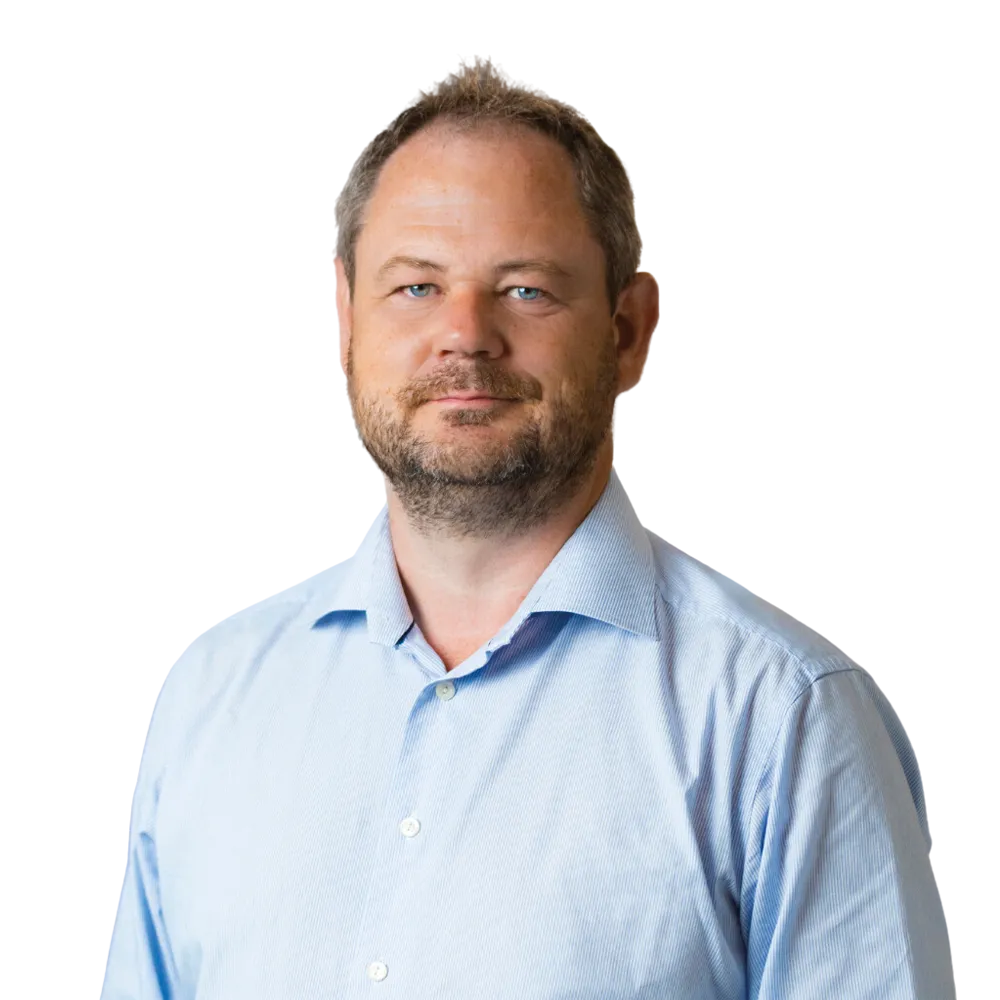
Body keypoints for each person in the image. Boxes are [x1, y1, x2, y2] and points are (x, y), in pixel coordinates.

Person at [100, 70, 956, 1000]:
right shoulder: (209, 701)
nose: (464, 336)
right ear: (344, 323)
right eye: (416, 286)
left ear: (627, 332)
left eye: (525, 289)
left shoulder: (780, 722)